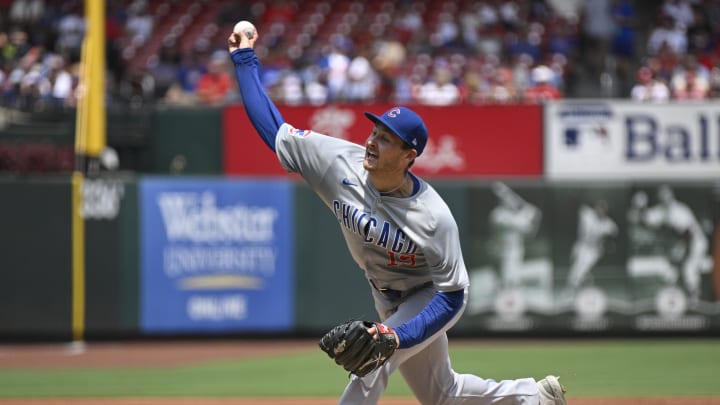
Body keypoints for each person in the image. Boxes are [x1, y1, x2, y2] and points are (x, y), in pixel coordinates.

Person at [227, 24, 568, 405]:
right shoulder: (338, 162)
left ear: (409, 157)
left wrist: (395, 337)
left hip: (427, 294)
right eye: (375, 131)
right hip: (383, 293)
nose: (372, 141)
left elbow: (453, 297)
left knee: (372, 361)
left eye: (386, 138)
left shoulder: (433, 216)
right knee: (443, 395)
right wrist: (244, 58)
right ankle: (534, 396)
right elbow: (273, 130)